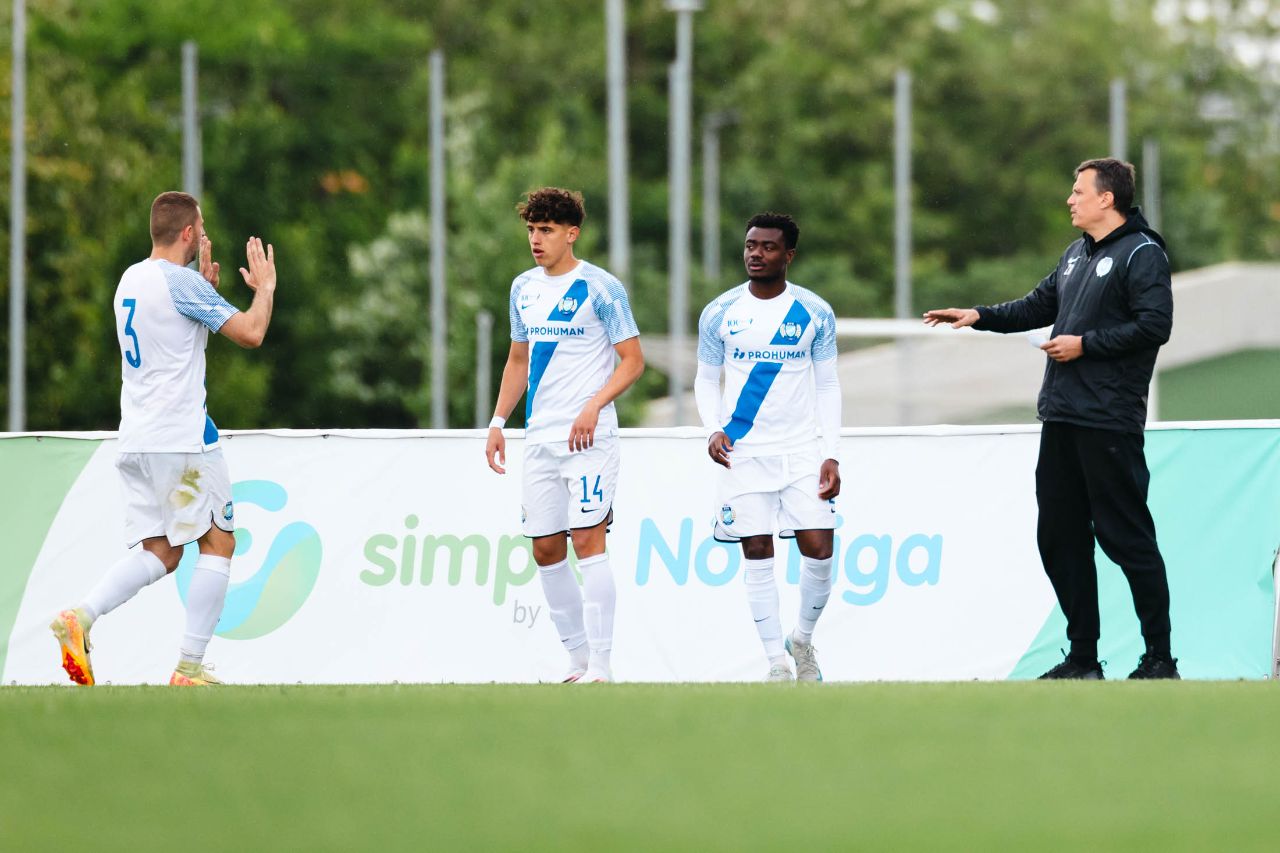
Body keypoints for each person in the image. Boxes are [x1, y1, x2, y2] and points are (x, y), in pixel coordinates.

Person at [924, 158, 1178, 680]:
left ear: (1107, 198)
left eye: (1078, 191)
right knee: (1060, 538)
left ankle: (1159, 658)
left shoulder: (1143, 253)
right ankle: (1083, 658)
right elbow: (1035, 307)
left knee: (1125, 538)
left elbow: (1155, 326)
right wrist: (978, 316)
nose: (1070, 199)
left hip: (1108, 421)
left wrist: (1086, 344)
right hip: (1061, 417)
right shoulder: (1075, 254)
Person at [50, 191, 278, 686]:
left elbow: (169, 342)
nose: (204, 235)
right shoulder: (182, 284)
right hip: (182, 439)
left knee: (163, 550)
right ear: (189, 233)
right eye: (202, 228)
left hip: (136, 438)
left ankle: (81, 616)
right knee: (218, 541)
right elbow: (252, 333)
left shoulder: (130, 280)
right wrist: (265, 288)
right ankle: (188, 668)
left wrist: (204, 295)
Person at [486, 187, 644, 684]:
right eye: (531, 230)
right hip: (540, 439)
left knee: (587, 541)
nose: (536, 239)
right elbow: (518, 360)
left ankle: (601, 664)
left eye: (547, 230)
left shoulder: (601, 287)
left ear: (571, 234)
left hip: (589, 440)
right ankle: (576, 661)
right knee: (545, 549)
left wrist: (594, 404)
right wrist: (497, 422)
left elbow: (633, 360)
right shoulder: (522, 288)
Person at [695, 212, 842, 682]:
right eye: (750, 245)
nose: (756, 254)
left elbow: (827, 386)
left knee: (820, 551)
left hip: (801, 452)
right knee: (757, 552)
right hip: (742, 454)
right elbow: (705, 380)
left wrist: (831, 452)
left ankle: (802, 640)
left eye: (768, 247)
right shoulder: (720, 312)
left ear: (789, 255)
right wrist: (713, 429)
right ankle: (776, 663)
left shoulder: (814, 312)